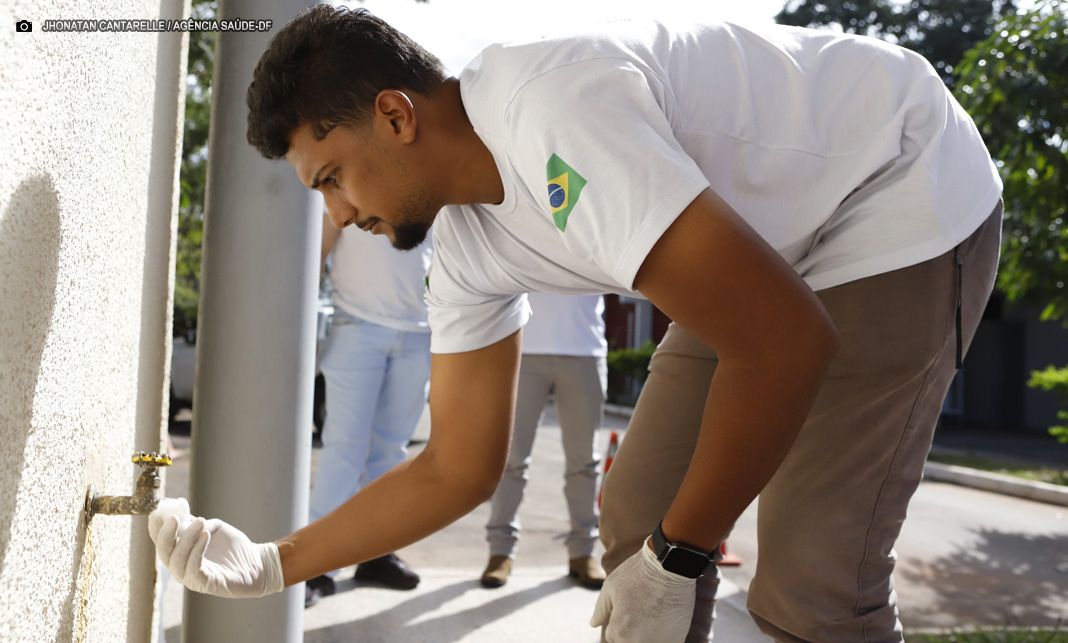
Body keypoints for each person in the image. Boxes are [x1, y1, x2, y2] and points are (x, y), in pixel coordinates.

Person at [149, 7, 1003, 642]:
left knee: (815, 571)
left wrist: (682, 556)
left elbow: (784, 342)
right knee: (642, 507)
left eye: (334, 177)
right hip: (765, 244)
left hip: (894, 188)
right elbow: (454, 467)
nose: (340, 211)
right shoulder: (466, 251)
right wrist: (276, 561)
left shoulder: (550, 113)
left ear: (397, 115)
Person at [304, 211, 433, 607]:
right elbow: (317, 250)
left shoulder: (433, 179)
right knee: (344, 447)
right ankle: (317, 564)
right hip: (355, 324)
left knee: (391, 452)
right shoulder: (344, 171)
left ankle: (376, 554)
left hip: (421, 331)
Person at [481, 292, 608, 590]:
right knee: (511, 459)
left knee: (584, 463)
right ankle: (500, 551)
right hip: (523, 350)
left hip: (585, 350)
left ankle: (583, 552)